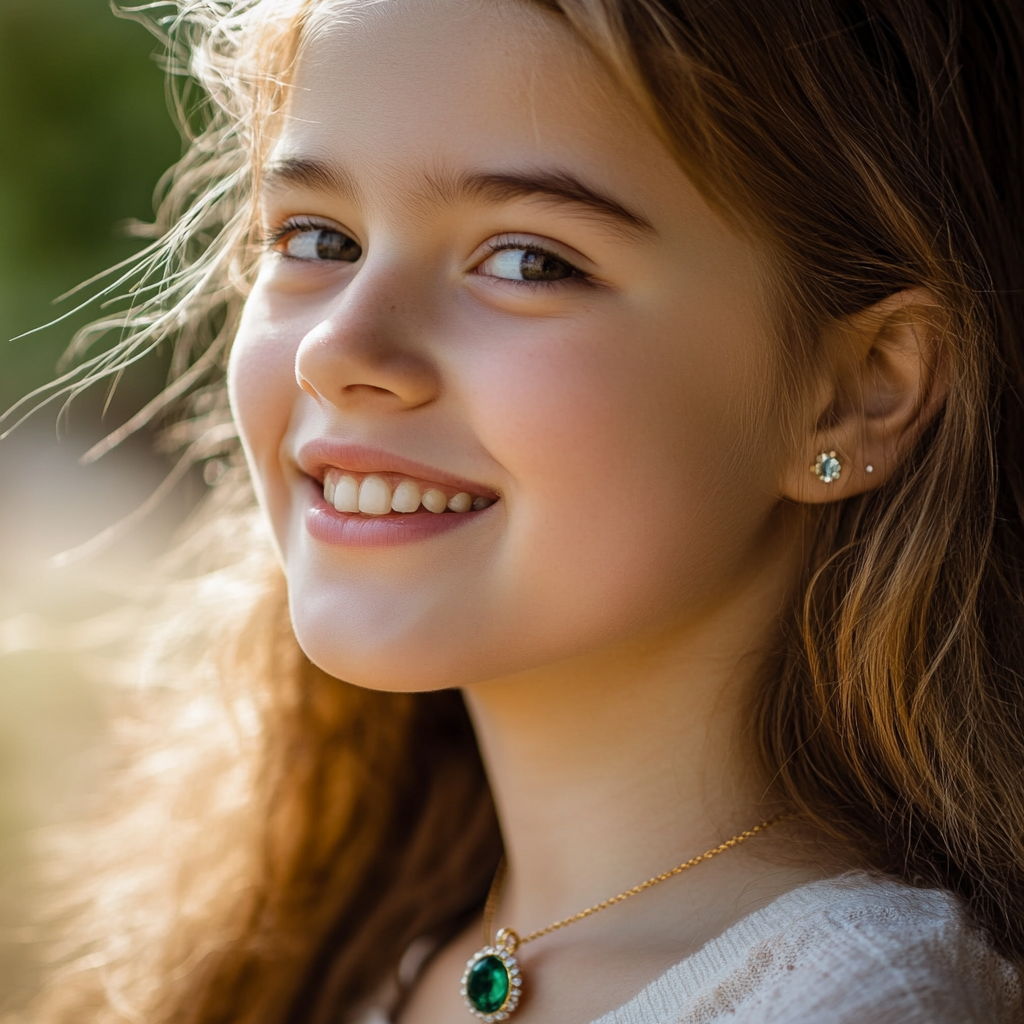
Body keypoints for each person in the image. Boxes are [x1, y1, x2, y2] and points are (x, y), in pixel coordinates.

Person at [17, 0, 1024, 1021]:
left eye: (528, 261)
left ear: (858, 389)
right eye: (319, 237)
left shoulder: (856, 1002)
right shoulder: (345, 943)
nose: (340, 348)